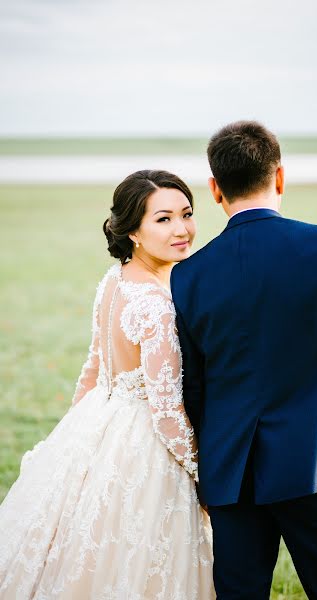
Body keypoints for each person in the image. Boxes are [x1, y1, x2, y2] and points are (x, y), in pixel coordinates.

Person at [170, 120, 317, 599]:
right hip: (315, 464)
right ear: (279, 177)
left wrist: (210, 468)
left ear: (215, 189)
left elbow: (193, 386)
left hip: (231, 474)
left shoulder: (188, 275)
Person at [0, 170, 215, 599]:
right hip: (145, 446)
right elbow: (167, 412)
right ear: (133, 230)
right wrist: (204, 478)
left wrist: (74, 437)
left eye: (187, 214)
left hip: (102, 418)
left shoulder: (114, 280)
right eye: (164, 219)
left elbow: (93, 370)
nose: (182, 229)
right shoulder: (154, 303)